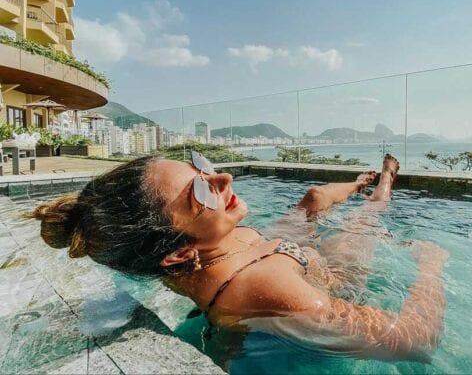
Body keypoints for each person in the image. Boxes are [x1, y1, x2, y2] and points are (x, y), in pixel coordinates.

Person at [27, 152, 448, 361]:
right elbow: (414, 340)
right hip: (327, 272)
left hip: (256, 248)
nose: (223, 177)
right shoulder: (264, 290)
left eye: (201, 168)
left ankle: (358, 182)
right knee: (367, 219)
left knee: (315, 197)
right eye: (200, 191)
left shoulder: (169, 256)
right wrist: (431, 265)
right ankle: (380, 185)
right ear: (179, 253)